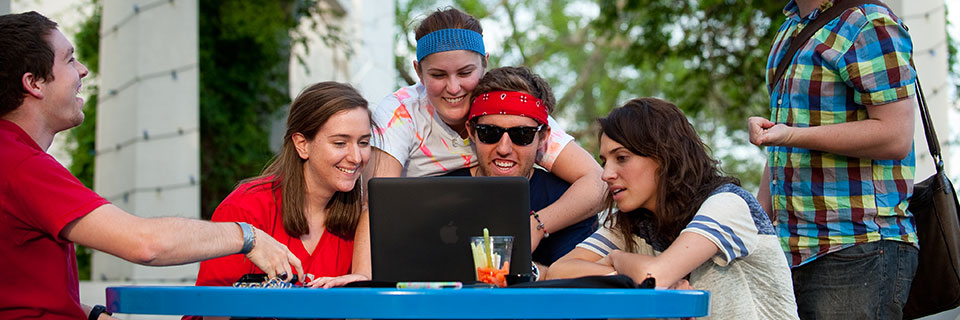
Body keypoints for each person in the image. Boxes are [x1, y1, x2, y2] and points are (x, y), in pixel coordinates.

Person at [0, 11, 302, 320]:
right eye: (69, 60)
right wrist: (248, 237)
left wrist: (93, 315)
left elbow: (21, 292)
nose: (83, 70)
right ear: (34, 82)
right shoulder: (23, 166)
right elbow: (145, 244)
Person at [367, 8, 605, 253]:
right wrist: (365, 280)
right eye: (438, 75)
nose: (453, 87)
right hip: (429, 228)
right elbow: (376, 205)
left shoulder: (513, 106)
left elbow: (597, 181)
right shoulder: (400, 113)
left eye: (465, 72)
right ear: (419, 73)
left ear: (484, 64)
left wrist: (535, 226)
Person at [549, 98, 798, 319]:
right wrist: (628, 276)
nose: (607, 174)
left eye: (621, 158)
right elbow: (559, 272)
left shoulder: (728, 204)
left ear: (664, 156)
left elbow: (655, 276)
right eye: (605, 162)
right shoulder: (637, 223)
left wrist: (617, 259)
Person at [747, 0, 918, 318]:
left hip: (856, 247)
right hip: (791, 253)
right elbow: (781, 147)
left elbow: (896, 136)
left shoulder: (869, 24)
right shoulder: (790, 29)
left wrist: (792, 135)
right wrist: (755, 226)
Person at [184, 82, 373, 320]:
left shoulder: (362, 222)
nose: (356, 157)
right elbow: (213, 312)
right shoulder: (245, 207)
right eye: (340, 143)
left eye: (364, 143)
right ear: (302, 144)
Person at [444, 66, 598, 271]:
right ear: (471, 132)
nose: (504, 148)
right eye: (489, 132)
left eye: (522, 135)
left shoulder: (568, 202)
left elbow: (574, 286)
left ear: (542, 137)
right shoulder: (438, 195)